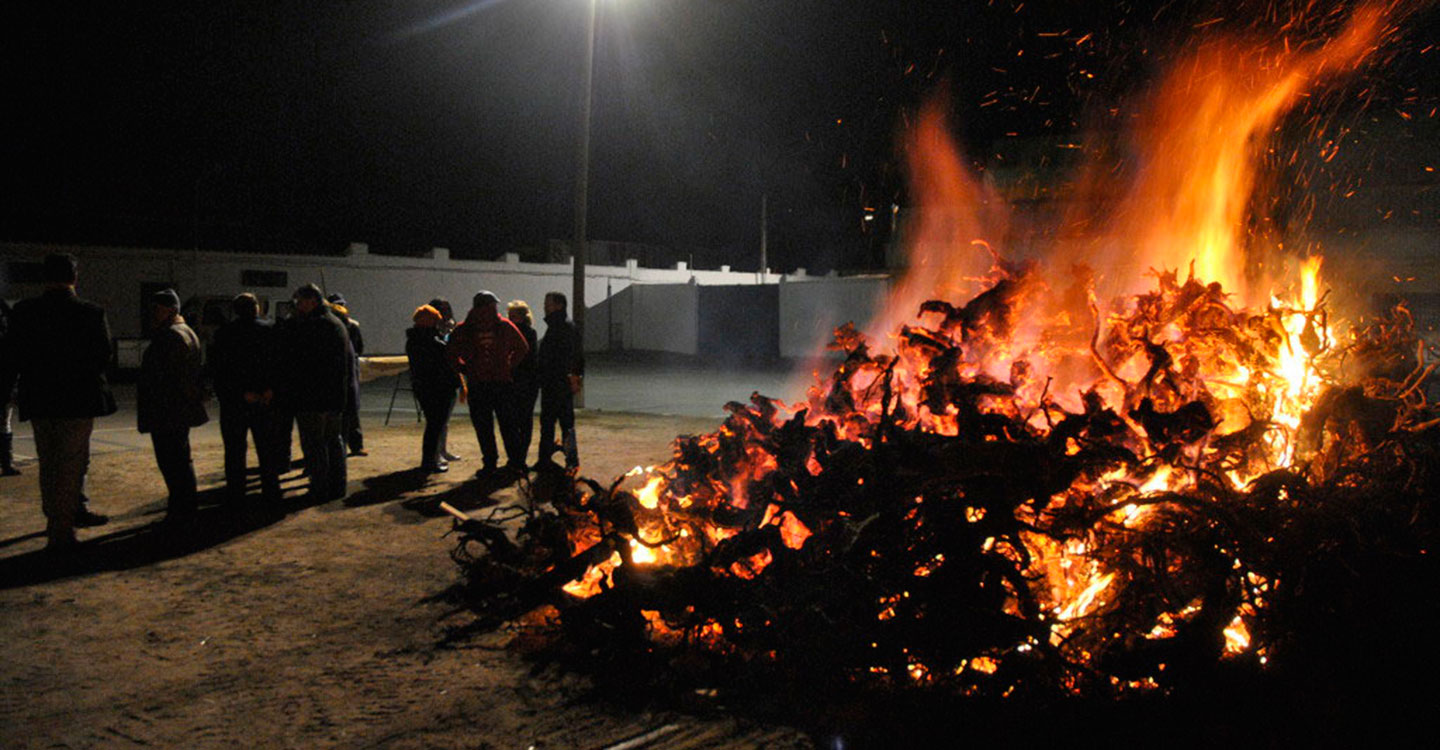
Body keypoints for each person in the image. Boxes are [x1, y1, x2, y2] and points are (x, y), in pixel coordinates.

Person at [8, 253, 116, 549]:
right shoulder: (91, 312)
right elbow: (103, 355)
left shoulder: (26, 311)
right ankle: (62, 528)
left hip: (41, 398)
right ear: (74, 278)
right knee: (72, 462)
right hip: (78, 399)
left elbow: (12, 356)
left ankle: (54, 517)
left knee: (49, 462)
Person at [138, 289, 209, 520]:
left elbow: (172, 378)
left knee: (172, 463)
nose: (153, 314)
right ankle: (184, 508)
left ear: (171, 310)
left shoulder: (170, 336)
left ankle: (182, 510)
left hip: (168, 411)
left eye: (157, 309)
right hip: (178, 410)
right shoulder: (186, 332)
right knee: (180, 460)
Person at [446, 290, 529, 477]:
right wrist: (508, 365)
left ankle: (491, 463)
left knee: (484, 427)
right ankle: (515, 462)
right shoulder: (504, 326)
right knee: (508, 425)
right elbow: (522, 348)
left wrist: (464, 368)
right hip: (500, 383)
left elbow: (451, 353)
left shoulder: (464, 328)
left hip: (479, 383)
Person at [209, 293, 282, 502]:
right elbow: (279, 364)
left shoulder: (225, 334)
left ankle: (236, 492)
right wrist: (270, 389)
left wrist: (241, 393)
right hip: (265, 399)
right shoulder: (269, 331)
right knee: (267, 447)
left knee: (234, 450)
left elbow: (220, 370)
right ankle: (271, 489)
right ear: (256, 308)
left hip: (235, 402)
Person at [284, 284, 352, 500]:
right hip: (333, 395)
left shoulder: (316, 325)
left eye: (300, 301)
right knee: (333, 440)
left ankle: (320, 486)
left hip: (315, 396)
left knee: (316, 443)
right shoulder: (334, 323)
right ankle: (337, 485)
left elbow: (302, 361)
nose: (298, 306)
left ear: (312, 300)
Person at [406, 305, 461, 472]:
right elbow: (447, 356)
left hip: (424, 387)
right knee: (436, 425)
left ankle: (432, 459)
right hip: (437, 388)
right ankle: (430, 462)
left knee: (434, 425)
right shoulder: (430, 341)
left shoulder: (414, 339)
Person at [537, 292, 583, 470]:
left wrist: (574, 376)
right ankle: (566, 460)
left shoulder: (561, 327)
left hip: (557, 383)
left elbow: (574, 356)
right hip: (556, 383)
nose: (545, 306)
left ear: (559, 306)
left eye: (548, 303)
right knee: (561, 423)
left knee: (555, 423)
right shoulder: (562, 325)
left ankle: (560, 460)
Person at [327, 293, 366, 457]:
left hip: (350, 371)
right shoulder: (327, 327)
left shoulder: (352, 326)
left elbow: (359, 348)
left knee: (352, 412)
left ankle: (356, 445)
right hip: (338, 374)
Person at [428, 297, 462, 463]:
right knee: (437, 420)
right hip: (438, 379)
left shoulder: (450, 328)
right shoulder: (432, 333)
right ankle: (436, 453)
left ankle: (442, 450)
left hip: (450, 377)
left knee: (445, 420)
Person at [506, 300, 540, 468]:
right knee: (523, 420)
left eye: (514, 316)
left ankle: (517, 458)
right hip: (526, 381)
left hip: (521, 381)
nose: (511, 319)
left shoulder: (519, 333)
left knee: (518, 420)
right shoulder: (530, 333)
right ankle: (519, 458)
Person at [0, 299, 20, 476]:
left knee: (5, 421)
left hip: (6, 381)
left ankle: (7, 462)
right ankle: (7, 463)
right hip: (6, 380)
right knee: (4, 422)